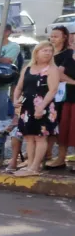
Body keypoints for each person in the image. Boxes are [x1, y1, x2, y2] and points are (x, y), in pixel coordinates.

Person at [11, 42, 60, 176]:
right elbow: (19, 87)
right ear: (37, 52)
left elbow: (53, 90)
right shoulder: (28, 68)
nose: (48, 53)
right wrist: (15, 100)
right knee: (29, 137)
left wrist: (41, 107)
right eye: (45, 50)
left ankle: (35, 167)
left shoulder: (52, 69)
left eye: (50, 51)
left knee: (40, 137)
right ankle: (30, 165)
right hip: (27, 106)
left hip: (44, 105)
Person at [46, 26, 75, 169]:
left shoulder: (68, 54)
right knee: (62, 129)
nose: (52, 39)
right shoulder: (67, 57)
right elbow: (57, 73)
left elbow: (59, 74)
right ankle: (58, 157)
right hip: (62, 96)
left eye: (56, 36)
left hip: (67, 95)